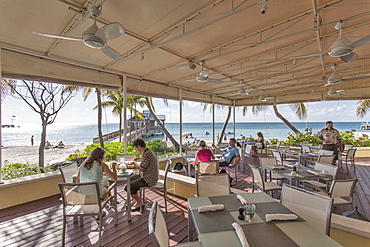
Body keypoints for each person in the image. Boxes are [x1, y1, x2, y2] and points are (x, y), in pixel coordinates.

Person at [125, 139, 159, 211]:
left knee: (128, 187)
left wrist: (134, 163)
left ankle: (139, 202)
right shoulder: (149, 151)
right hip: (151, 176)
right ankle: (136, 199)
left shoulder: (146, 154)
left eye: (136, 149)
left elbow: (142, 168)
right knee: (130, 179)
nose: (136, 151)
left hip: (149, 179)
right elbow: (149, 160)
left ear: (139, 147)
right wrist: (141, 158)